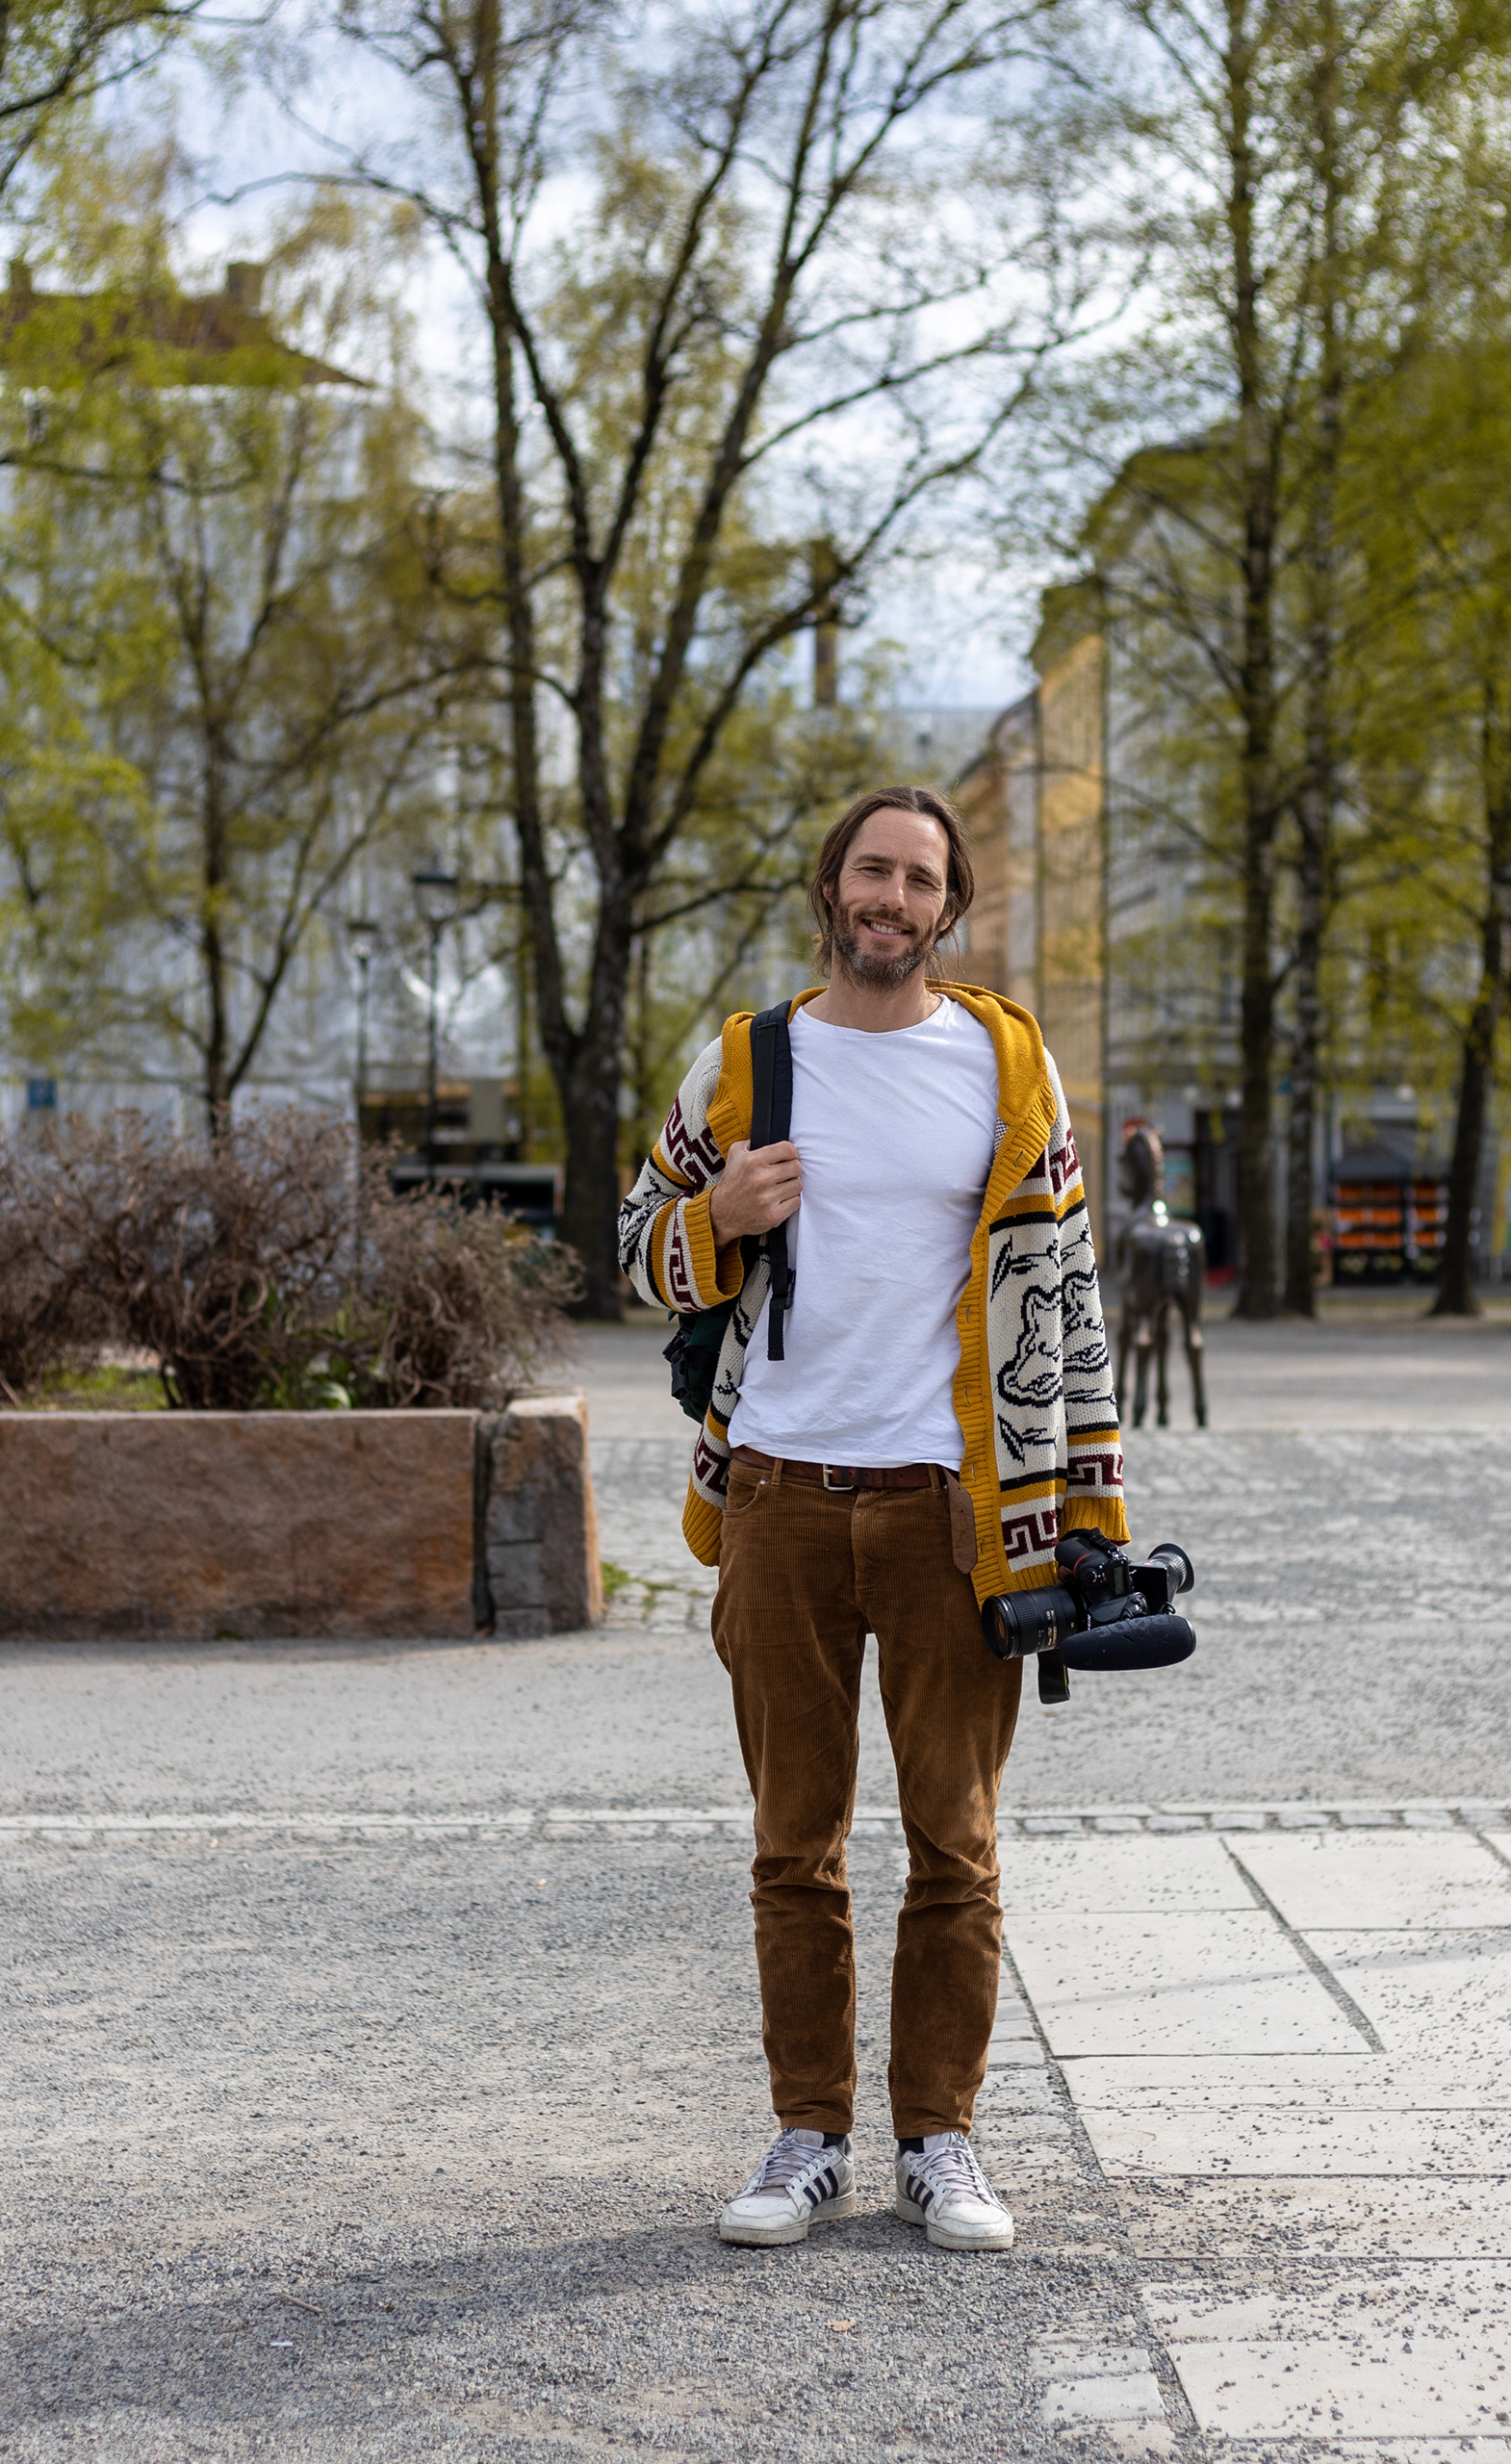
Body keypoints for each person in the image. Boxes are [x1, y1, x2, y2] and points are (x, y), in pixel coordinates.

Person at [615, 783, 1127, 2254]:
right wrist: (721, 1221)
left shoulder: (1009, 1065)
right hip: (776, 1496)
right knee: (795, 1845)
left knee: (955, 1844)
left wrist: (1091, 1505)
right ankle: (808, 2136)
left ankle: (940, 2142)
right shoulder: (746, 1063)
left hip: (952, 1509)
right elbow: (635, 1251)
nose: (890, 898)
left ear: (948, 907)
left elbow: (1066, 1293)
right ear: (830, 889)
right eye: (869, 871)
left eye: (917, 878)